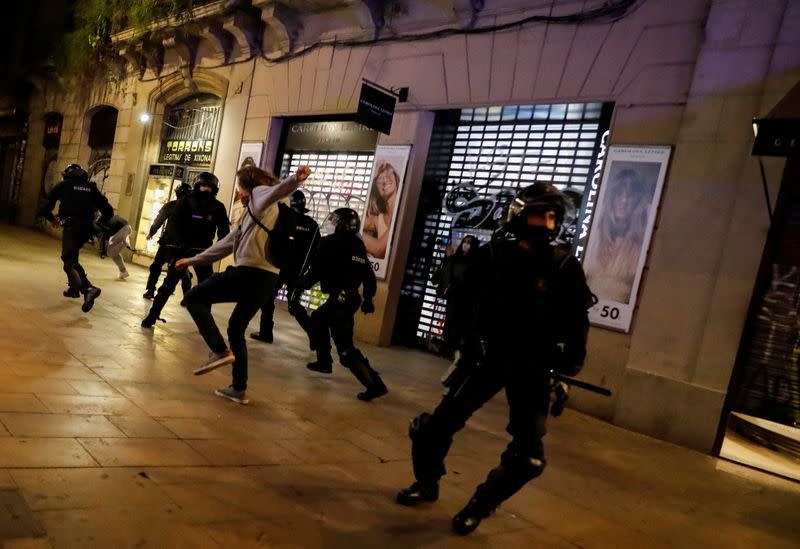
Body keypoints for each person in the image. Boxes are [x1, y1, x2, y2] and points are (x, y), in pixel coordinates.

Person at [395, 182, 592, 536]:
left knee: (529, 457)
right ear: (519, 215)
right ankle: (427, 484)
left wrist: (568, 365)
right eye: (538, 215)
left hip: (532, 366)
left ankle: (480, 504)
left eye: (552, 217)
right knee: (430, 431)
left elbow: (577, 320)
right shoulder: (492, 255)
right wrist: (467, 341)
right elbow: (461, 300)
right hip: (487, 357)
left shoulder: (564, 266)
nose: (545, 224)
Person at [174, 165, 312, 404]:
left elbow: (276, 191)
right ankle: (238, 388)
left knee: (194, 297)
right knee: (236, 327)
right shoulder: (260, 212)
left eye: (239, 187)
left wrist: (295, 180)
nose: (239, 193)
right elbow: (228, 242)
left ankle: (218, 350)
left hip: (249, 273)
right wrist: (194, 260)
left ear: (247, 185)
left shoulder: (260, 196)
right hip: (269, 280)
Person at [299, 207, 388, 402]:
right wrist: (368, 298)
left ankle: (374, 385)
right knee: (319, 319)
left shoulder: (329, 242)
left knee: (345, 349)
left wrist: (301, 285)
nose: (331, 224)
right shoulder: (358, 245)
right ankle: (324, 362)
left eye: (334, 220)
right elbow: (368, 275)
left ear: (340, 224)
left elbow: (317, 270)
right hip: (351, 298)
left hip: (340, 299)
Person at [141, 172, 229, 327]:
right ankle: (152, 315)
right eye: (203, 186)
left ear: (214, 189)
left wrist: (219, 247)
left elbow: (224, 231)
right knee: (168, 286)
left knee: (206, 287)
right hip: (182, 249)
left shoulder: (218, 207)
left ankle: (205, 322)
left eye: (209, 187)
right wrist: (179, 242)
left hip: (203, 252)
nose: (205, 190)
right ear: (197, 186)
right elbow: (173, 224)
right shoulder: (185, 202)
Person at [39, 163, 113, 313]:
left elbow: (45, 208)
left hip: (72, 226)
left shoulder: (63, 185)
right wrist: (98, 223)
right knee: (71, 258)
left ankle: (88, 288)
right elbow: (108, 211)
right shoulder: (91, 187)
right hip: (87, 228)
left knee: (69, 258)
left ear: (67, 174)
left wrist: (53, 219)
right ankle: (74, 289)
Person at [251, 190, 319, 346]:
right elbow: (316, 251)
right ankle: (314, 335)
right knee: (294, 303)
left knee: (268, 299)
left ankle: (266, 332)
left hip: (281, 268)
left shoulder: (284, 221)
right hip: (298, 271)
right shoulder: (312, 225)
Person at [583, 167, 653, 303]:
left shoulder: (641, 242)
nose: (624, 200)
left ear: (637, 200)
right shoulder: (594, 236)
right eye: (619, 194)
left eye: (629, 195)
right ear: (611, 197)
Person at [143, 182, 193, 299]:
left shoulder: (172, 205)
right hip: (182, 245)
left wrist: (152, 232)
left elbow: (159, 220)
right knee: (181, 269)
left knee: (156, 266)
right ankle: (187, 297)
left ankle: (150, 290)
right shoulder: (192, 208)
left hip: (168, 243)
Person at [433, 234, 479, 358]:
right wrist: (448, 257)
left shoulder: (475, 262)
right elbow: (446, 272)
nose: (466, 244)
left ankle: (454, 349)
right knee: (449, 321)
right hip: (453, 295)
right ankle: (446, 348)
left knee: (459, 324)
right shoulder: (455, 257)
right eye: (465, 241)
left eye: (469, 242)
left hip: (465, 298)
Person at [362, 160, 400, 259]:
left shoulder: (403, 213)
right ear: (376, 190)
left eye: (388, 174)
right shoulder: (377, 219)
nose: (384, 180)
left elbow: (379, 250)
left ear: (395, 177)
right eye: (379, 179)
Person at [96, 213, 133, 279]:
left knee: (110, 252)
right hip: (128, 228)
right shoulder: (110, 215)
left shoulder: (100, 222)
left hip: (121, 231)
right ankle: (123, 271)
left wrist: (102, 252)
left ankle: (123, 271)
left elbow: (103, 237)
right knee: (114, 252)